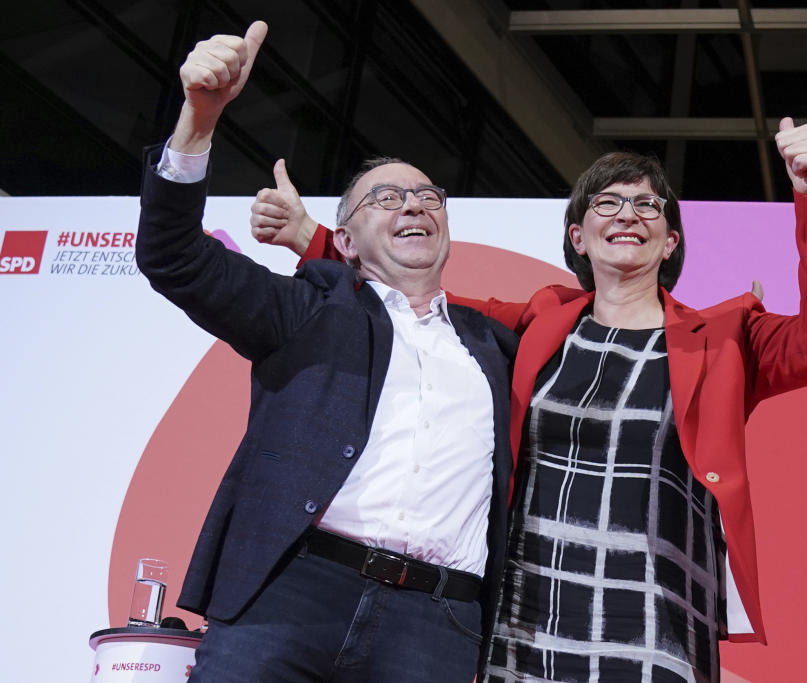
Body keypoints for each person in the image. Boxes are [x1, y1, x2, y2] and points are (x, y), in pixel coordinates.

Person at [253, 117, 807, 681]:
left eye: (648, 204)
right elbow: (420, 300)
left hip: (656, 620)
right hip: (528, 611)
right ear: (579, 235)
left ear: (670, 240)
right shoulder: (542, 322)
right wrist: (313, 238)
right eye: (608, 203)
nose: (629, 214)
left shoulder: (726, 339)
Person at [135, 21, 519, 682]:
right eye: (387, 197)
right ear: (343, 240)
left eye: (429, 196)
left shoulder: (497, 347)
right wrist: (198, 124)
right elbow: (174, 257)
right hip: (292, 593)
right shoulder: (309, 308)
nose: (413, 205)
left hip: (437, 623)